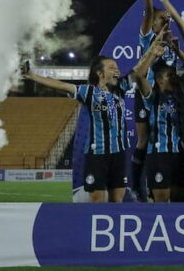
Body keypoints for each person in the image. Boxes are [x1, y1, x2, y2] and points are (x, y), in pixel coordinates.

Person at [21, 57, 131, 203]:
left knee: (117, 199)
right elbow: (60, 85)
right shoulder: (88, 92)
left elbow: (140, 71)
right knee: (97, 199)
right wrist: (32, 75)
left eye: (117, 67)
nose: (116, 69)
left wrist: (154, 48)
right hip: (97, 153)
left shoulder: (121, 88)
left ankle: (114, 225)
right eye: (111, 67)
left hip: (118, 153)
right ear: (100, 73)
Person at [132, 34, 184, 202]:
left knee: (179, 201)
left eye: (174, 74)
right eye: (169, 76)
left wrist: (178, 51)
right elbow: (138, 76)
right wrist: (152, 55)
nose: (173, 77)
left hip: (178, 154)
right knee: (161, 203)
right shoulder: (152, 97)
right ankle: (136, 185)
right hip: (158, 155)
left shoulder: (179, 95)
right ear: (158, 80)